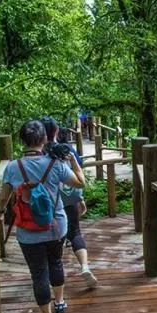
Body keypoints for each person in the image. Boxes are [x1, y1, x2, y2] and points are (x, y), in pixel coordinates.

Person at [0, 120, 85, 313]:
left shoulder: (12, 167)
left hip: (28, 231)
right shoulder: (56, 164)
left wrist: (0, 211)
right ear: (45, 139)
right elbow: (80, 183)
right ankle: (60, 302)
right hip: (56, 227)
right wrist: (73, 160)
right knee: (56, 263)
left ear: (22, 141)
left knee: (38, 274)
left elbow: (4, 197)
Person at [41, 117, 98, 288]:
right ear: (57, 131)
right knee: (75, 233)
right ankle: (85, 266)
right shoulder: (65, 149)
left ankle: (51, 277)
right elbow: (77, 172)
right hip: (68, 198)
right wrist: (79, 197)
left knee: (49, 238)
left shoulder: (38, 154)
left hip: (47, 201)